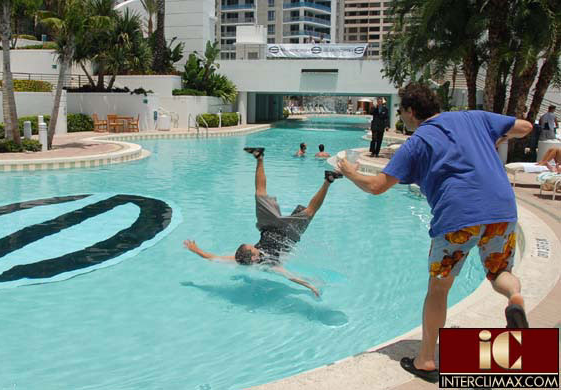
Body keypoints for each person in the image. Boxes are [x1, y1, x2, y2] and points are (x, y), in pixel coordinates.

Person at [336, 83, 533, 383]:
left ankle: (426, 359)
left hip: (457, 217)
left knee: (439, 289)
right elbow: (525, 126)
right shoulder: (473, 118)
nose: (401, 116)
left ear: (412, 111)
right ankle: (515, 300)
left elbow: (377, 186)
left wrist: (349, 172)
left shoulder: (417, 142)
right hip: (502, 210)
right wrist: (497, 135)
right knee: (499, 273)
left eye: (402, 110)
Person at [184, 147, 342, 298]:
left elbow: (213, 257)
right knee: (309, 212)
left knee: (260, 194)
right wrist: (310, 286)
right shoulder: (269, 264)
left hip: (269, 226)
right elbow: (291, 277)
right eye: (252, 248)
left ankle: (259, 157)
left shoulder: (240, 258)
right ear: (252, 258)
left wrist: (196, 250)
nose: (254, 246)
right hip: (288, 234)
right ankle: (328, 180)